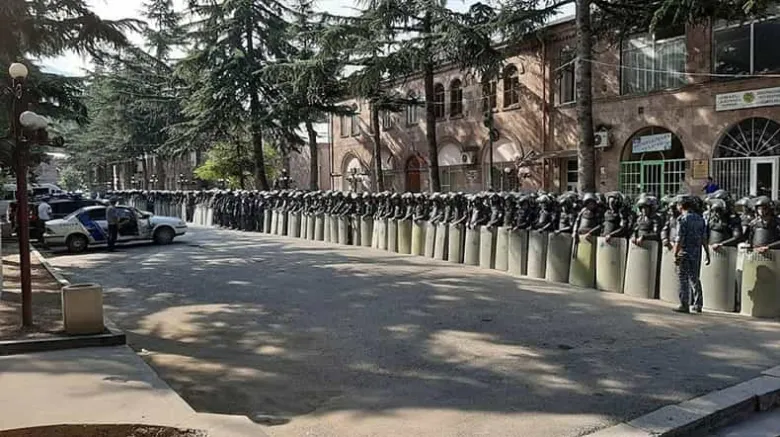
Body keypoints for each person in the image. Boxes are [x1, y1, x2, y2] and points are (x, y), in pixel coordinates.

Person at [673, 195, 710, 314]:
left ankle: (684, 304)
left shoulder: (682, 219)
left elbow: (679, 238)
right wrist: (707, 253)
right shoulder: (700, 219)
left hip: (684, 252)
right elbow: (704, 238)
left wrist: (675, 253)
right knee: (695, 278)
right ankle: (698, 304)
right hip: (696, 252)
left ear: (681, 206)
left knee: (683, 278)